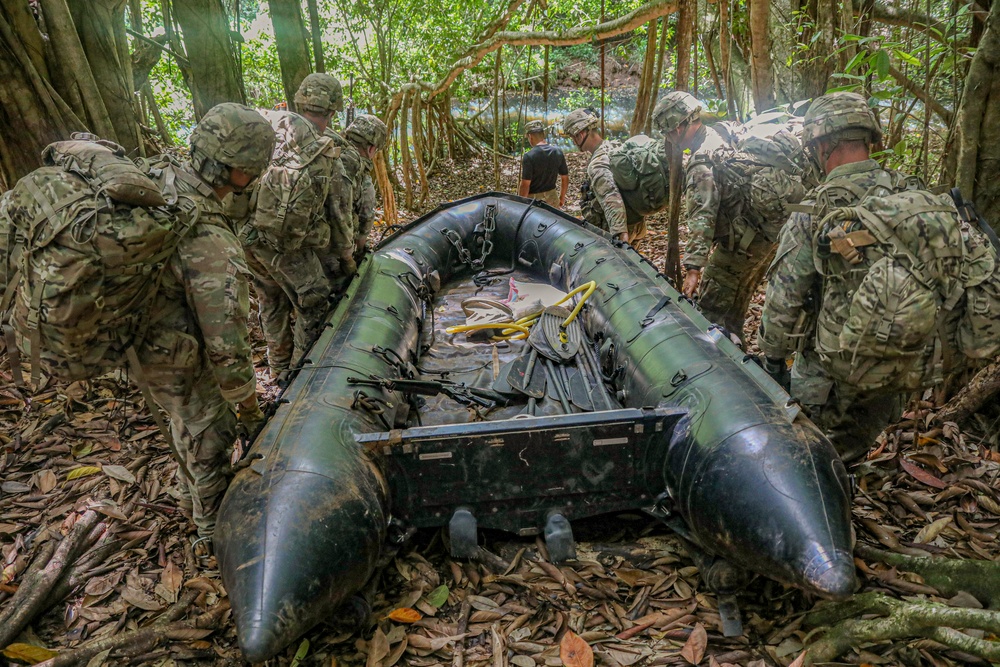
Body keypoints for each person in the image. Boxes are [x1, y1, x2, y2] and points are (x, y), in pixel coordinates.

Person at [758, 91, 919, 461]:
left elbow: (784, 298)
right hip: (896, 369)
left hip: (830, 378)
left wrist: (773, 359)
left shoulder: (816, 209)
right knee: (861, 450)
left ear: (823, 144)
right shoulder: (911, 194)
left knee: (816, 463)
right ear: (869, 138)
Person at [653, 91, 816, 341]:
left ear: (676, 129)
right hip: (769, 235)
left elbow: (702, 216)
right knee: (739, 295)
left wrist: (694, 268)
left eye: (667, 132)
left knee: (710, 309)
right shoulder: (725, 130)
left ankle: (719, 364)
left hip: (743, 242)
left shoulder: (700, 161)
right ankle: (737, 343)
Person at [243, 73, 349, 377]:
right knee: (314, 299)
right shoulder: (323, 149)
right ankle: (301, 377)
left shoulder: (268, 127)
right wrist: (345, 256)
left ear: (299, 100)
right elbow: (339, 215)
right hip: (284, 245)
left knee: (270, 299)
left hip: (247, 237)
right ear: (331, 112)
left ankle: (277, 369)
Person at [562, 109, 631, 242]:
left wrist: (621, 236)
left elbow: (610, 197)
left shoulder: (597, 164)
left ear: (580, 135)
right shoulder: (614, 147)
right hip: (634, 223)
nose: (573, 142)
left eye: (572, 137)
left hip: (617, 231)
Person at [330, 114, 388, 259]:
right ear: (371, 149)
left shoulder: (326, 153)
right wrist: (359, 252)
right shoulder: (361, 177)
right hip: (331, 252)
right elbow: (365, 221)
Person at [518, 120, 568, 209]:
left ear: (530, 136)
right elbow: (565, 178)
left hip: (534, 201)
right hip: (552, 197)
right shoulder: (557, 152)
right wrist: (562, 197)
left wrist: (521, 203)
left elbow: (525, 184)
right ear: (543, 135)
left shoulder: (529, 156)